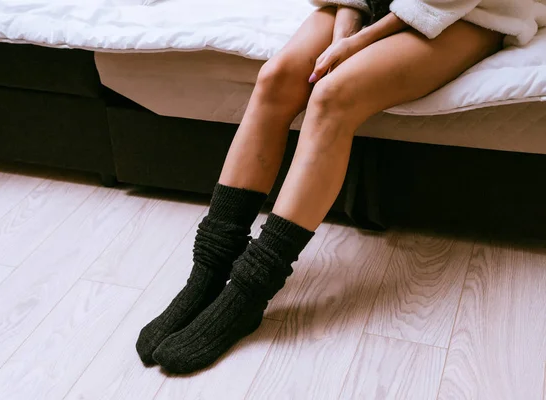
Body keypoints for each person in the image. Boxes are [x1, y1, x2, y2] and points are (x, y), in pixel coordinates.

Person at [136, 0, 545, 374]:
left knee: (333, 94)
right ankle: (207, 274)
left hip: (467, 8)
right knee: (277, 77)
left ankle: (248, 294)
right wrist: (345, 26)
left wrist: (359, 43)